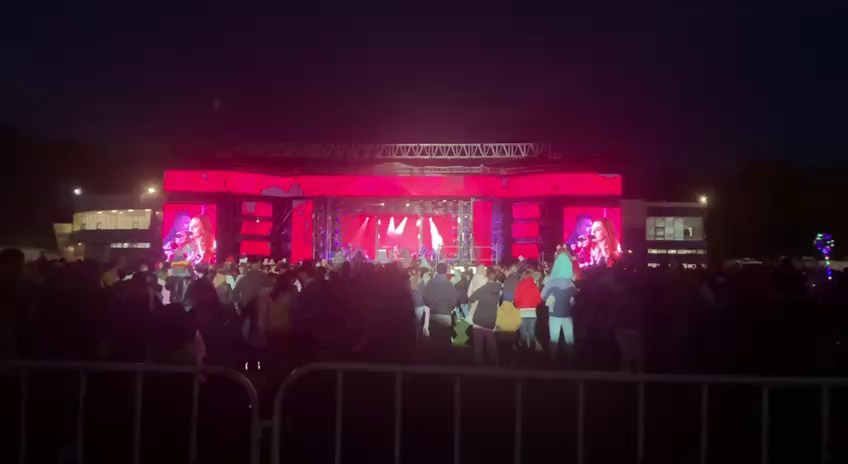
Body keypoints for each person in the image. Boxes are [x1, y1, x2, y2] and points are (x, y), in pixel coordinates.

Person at [541, 251, 578, 362]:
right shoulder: (571, 284)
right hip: (567, 314)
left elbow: (542, 296)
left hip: (554, 313)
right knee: (569, 337)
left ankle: (553, 359)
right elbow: (575, 298)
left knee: (554, 337)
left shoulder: (551, 282)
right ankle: (570, 359)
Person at [468, 267, 502, 364]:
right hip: (491, 318)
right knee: (491, 344)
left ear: (486, 276)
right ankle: (494, 364)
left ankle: (478, 365)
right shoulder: (500, 290)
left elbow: (471, 298)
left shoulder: (483, 288)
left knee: (478, 345)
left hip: (479, 318)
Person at [422, 263, 458, 351]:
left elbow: (425, 297)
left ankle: (434, 357)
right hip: (446, 314)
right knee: (445, 339)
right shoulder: (449, 284)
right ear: (446, 271)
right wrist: (449, 308)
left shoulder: (430, 283)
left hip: (434, 313)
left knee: (434, 339)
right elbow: (454, 300)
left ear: (436, 270)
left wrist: (431, 305)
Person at [514, 269, 542, 351]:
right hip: (532, 312)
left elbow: (516, 300)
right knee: (532, 332)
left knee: (523, 332)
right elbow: (539, 300)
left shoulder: (519, 286)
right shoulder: (535, 287)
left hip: (522, 312)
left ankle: (523, 350)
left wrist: (519, 306)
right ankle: (532, 350)